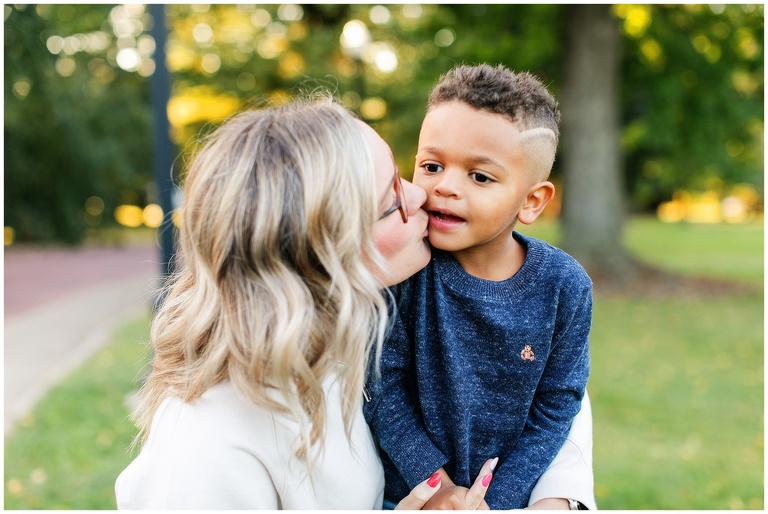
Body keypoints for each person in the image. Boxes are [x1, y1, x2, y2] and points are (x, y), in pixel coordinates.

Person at [114, 96, 496, 509]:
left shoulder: (340, 347)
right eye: (393, 199)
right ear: (322, 254)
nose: (420, 195)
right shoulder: (206, 448)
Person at [364, 64, 595, 510]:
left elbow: (556, 406)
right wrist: (437, 488)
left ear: (531, 201)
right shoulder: (406, 271)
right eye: (432, 166)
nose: (445, 187)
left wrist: (495, 502)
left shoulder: (564, 287)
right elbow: (382, 387)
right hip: (410, 498)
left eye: (480, 176)